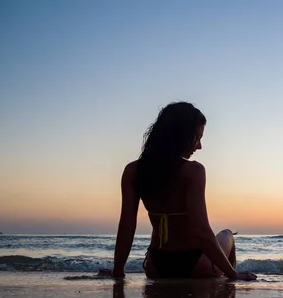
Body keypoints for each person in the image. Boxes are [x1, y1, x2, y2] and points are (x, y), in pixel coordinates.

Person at [102, 102, 256, 281]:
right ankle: (228, 279)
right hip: (197, 266)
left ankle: (224, 276)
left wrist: (118, 272)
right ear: (180, 136)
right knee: (227, 233)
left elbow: (127, 227)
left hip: (156, 267)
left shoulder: (132, 171)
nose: (199, 146)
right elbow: (202, 231)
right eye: (197, 138)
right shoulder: (194, 171)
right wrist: (234, 274)